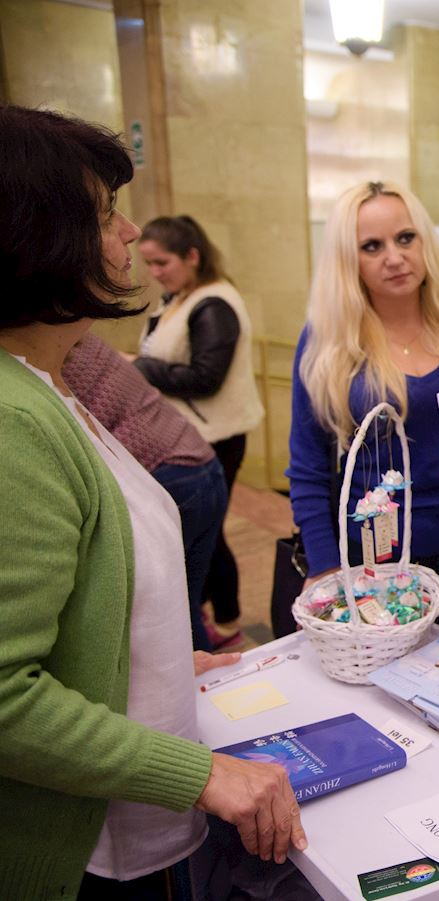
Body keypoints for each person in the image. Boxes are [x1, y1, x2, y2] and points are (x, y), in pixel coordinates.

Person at [0, 105, 303, 901]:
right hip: (80, 852)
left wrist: (153, 665)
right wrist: (201, 773)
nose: (130, 232)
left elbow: (73, 609)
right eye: (106, 214)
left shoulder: (49, 385)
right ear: (38, 236)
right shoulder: (13, 419)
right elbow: (6, 696)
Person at [289, 181, 439, 627]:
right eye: (372, 246)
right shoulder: (328, 341)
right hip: (369, 568)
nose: (394, 257)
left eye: (406, 238)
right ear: (348, 260)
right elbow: (308, 467)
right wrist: (324, 566)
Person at [134, 215, 264, 649]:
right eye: (148, 263)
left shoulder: (214, 304)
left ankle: (226, 622)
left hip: (215, 436)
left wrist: (140, 367)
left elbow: (207, 378)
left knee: (209, 531)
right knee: (201, 530)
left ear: (192, 256)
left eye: (162, 262)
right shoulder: (179, 298)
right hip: (188, 434)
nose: (154, 273)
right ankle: (207, 613)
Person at [63, 333, 228, 653]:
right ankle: (205, 678)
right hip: (197, 459)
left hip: (167, 474)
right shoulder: (74, 334)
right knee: (184, 606)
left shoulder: (42, 350)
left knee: (163, 612)